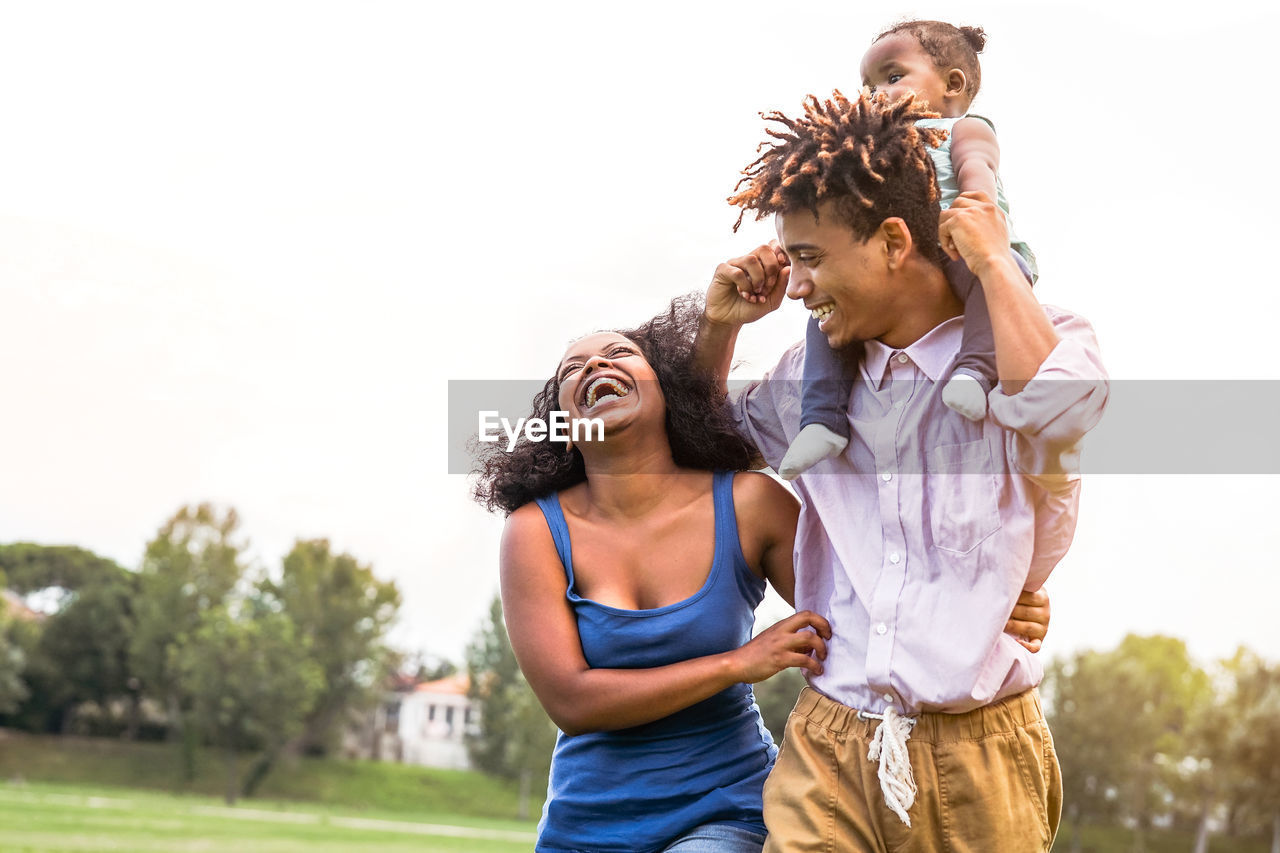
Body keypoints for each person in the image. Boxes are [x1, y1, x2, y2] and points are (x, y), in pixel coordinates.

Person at [471, 298, 1054, 853]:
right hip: (584, 822)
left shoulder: (749, 503)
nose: (596, 363)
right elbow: (571, 701)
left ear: (668, 392)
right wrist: (738, 663)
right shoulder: (535, 530)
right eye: (573, 368)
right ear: (562, 426)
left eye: (621, 354)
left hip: (724, 809)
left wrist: (985, 603)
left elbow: (870, 602)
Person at [698, 89, 1107, 851]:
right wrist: (720, 323)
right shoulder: (805, 381)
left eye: (812, 259)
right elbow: (699, 446)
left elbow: (1064, 414)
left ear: (893, 241)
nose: (796, 286)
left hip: (979, 758)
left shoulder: (1034, 345)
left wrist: (989, 257)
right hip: (826, 745)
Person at [777, 21, 1038, 480]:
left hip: (967, 244)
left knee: (999, 279)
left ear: (952, 85)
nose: (875, 94)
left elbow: (977, 167)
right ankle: (821, 418)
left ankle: (975, 372)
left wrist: (977, 207)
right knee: (825, 315)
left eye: (892, 78)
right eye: (868, 86)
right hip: (904, 258)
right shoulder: (873, 147)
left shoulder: (963, 128)